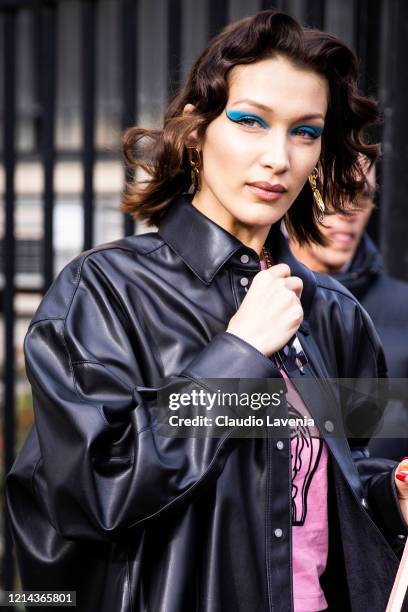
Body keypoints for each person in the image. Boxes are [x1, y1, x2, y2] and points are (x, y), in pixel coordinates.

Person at [5, 10, 408, 612]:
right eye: (251, 121)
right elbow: (89, 494)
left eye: (305, 131)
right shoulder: (105, 292)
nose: (280, 157)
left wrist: (393, 496)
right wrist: (238, 354)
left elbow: (346, 475)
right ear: (195, 132)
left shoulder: (336, 315)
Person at [289, 160, 408, 461]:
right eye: (332, 192)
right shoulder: (246, 295)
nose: (349, 210)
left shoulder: (402, 308)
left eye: (362, 195)